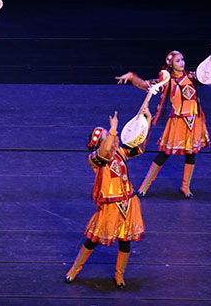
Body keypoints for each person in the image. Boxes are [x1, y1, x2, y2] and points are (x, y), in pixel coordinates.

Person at [115, 44, 211, 199]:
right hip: (178, 122)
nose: (182, 63)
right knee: (164, 154)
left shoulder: (192, 76)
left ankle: (186, 187)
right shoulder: (167, 81)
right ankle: (144, 186)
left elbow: (210, 73)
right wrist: (131, 77)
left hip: (194, 120)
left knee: (191, 154)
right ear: (171, 64)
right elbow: (146, 85)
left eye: (182, 59)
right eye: (178, 61)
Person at [64, 110, 148, 289]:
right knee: (92, 240)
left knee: (125, 241)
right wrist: (113, 130)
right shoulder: (95, 159)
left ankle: (119, 275)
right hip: (110, 206)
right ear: (100, 142)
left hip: (127, 202)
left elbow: (139, 146)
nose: (113, 137)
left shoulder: (120, 153)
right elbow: (103, 152)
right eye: (107, 135)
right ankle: (74, 269)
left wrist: (146, 121)